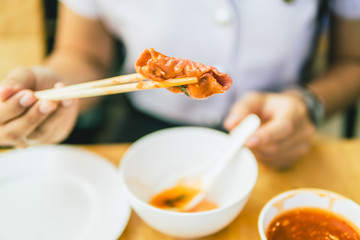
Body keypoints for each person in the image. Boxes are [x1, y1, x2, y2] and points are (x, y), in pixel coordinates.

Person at [0, 0, 359, 169]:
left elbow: (352, 60)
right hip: (140, 130)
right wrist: (56, 89)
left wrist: (308, 103)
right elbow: (83, 54)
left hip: (274, 135)